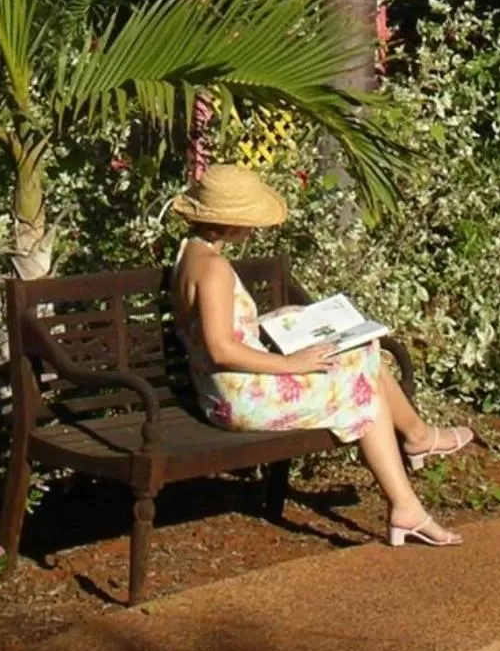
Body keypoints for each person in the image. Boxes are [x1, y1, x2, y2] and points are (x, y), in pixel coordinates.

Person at [168, 164, 474, 547]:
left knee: (361, 361)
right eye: (249, 220)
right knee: (365, 380)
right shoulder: (212, 269)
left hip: (229, 389)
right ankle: (415, 448)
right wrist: (292, 363)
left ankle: (410, 483)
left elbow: (216, 328)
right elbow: (221, 349)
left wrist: (278, 321)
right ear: (229, 223)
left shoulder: (190, 255)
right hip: (240, 398)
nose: (254, 228)